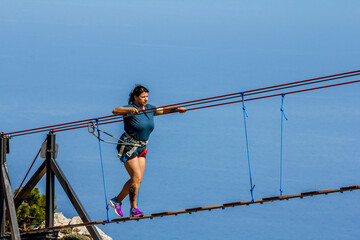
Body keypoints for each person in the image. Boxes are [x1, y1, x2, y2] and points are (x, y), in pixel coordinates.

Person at [109, 85, 186, 217]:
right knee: (136, 177)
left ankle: (117, 201)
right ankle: (134, 209)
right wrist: (130, 109)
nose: (145, 99)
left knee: (137, 180)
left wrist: (176, 109)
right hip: (128, 145)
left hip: (142, 147)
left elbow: (162, 110)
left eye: (147, 97)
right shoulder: (130, 109)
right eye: (142, 97)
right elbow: (115, 111)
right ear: (135, 97)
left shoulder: (150, 108)